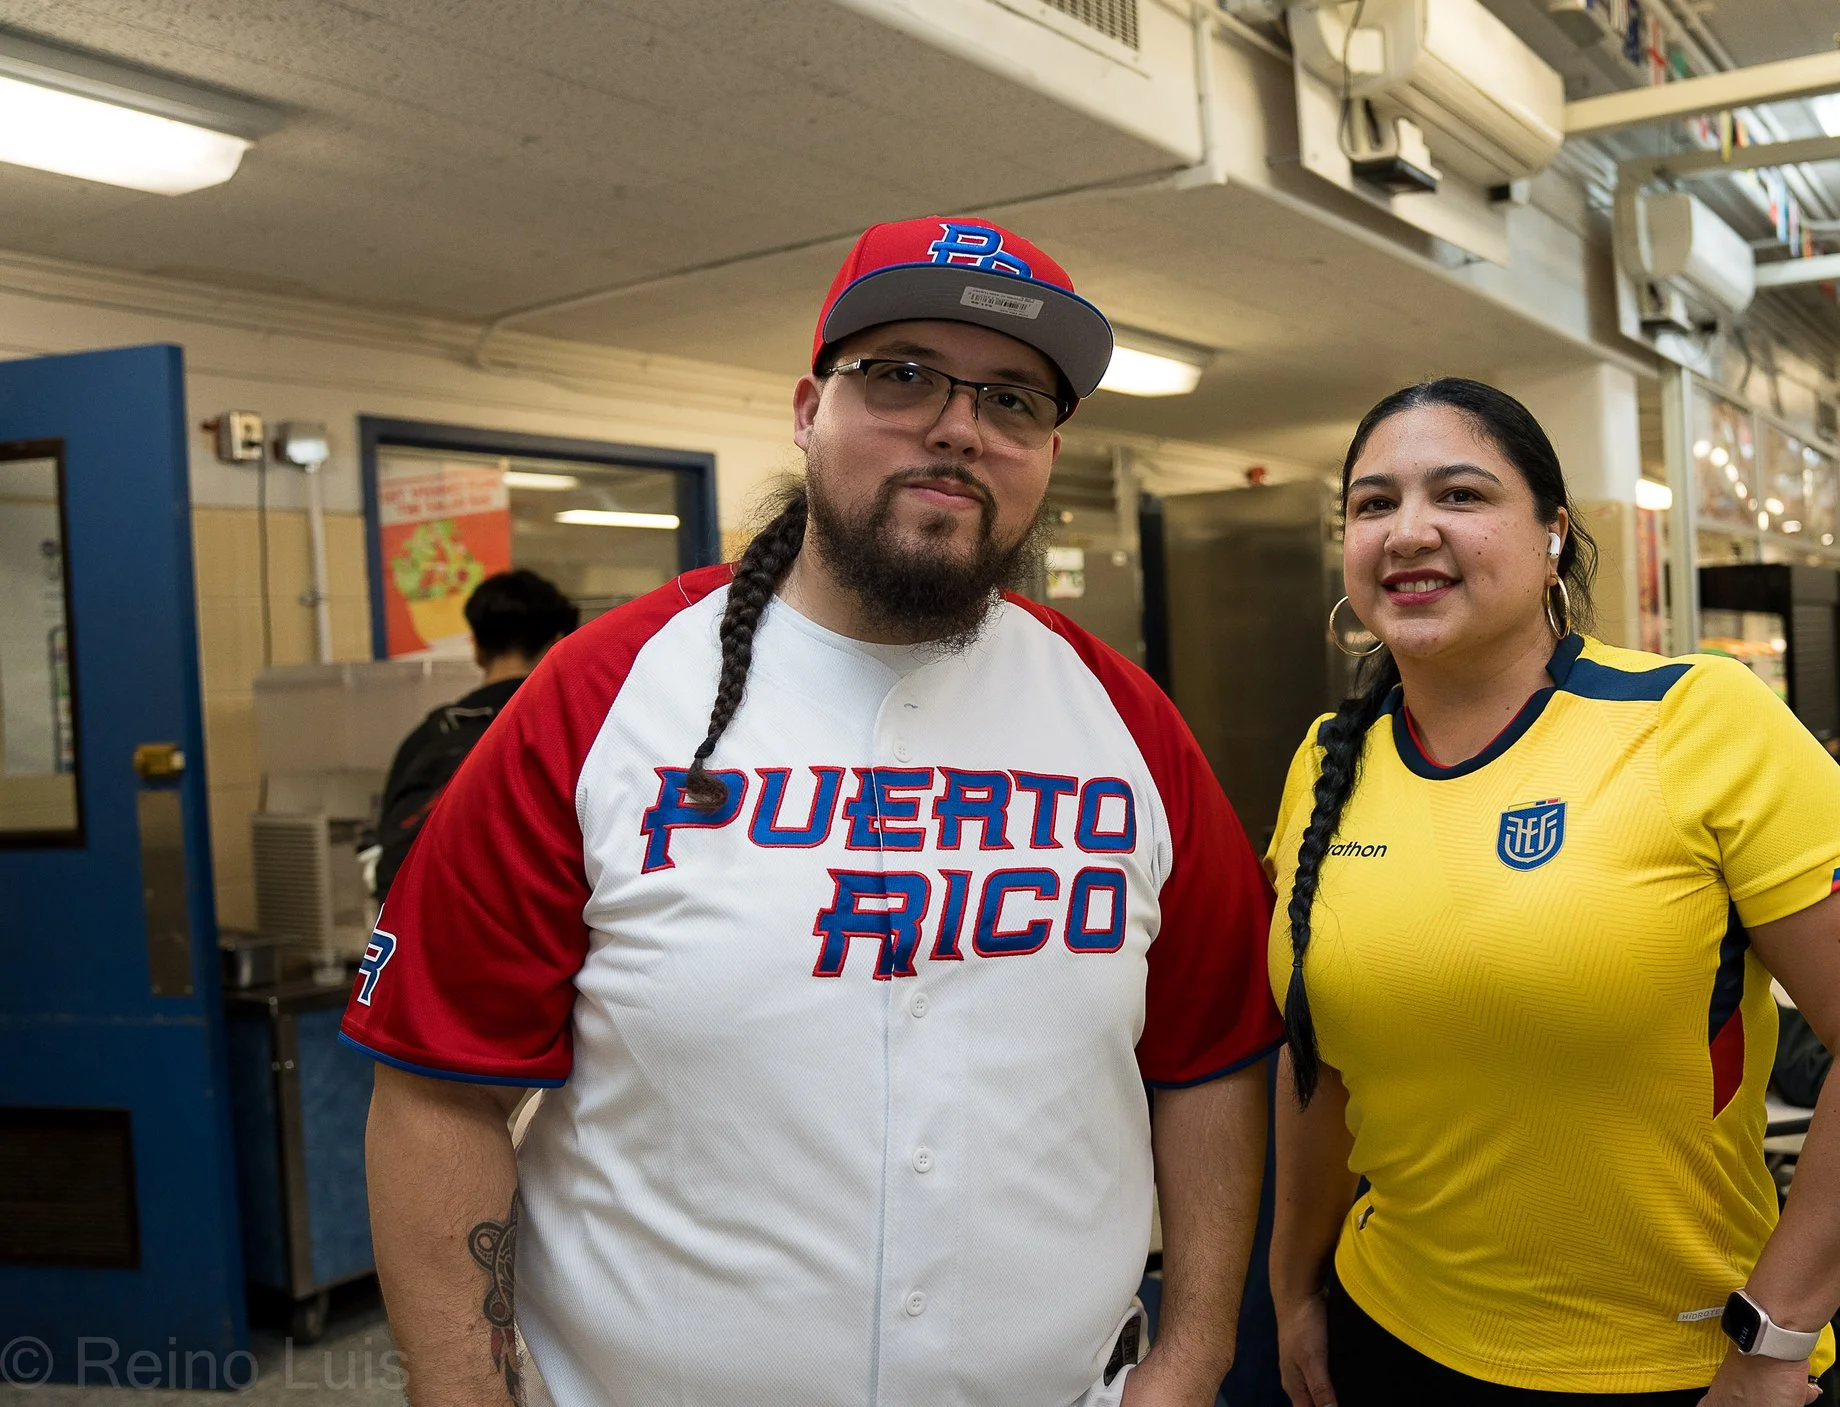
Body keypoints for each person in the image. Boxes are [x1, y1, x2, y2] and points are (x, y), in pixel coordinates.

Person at [348, 217, 1281, 1406]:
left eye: (1013, 400)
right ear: (806, 410)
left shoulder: (1125, 721)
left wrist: (1193, 1355)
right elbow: (437, 1082)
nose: (958, 425)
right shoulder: (604, 698)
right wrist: (462, 1390)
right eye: (900, 375)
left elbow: (1209, 1062)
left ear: (1049, 450)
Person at [1265, 379, 1840, 1407]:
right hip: (1387, 1330)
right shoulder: (1327, 759)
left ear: (1552, 534)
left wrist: (1774, 1343)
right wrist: (1291, 1288)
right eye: (1373, 505)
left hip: (1673, 1368)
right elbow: (1315, 1065)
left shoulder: (1693, 718)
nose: (1408, 531)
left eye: (1458, 495)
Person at [369, 569, 578, 902]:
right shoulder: (568, 728)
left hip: (427, 932)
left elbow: (386, 847)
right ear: (557, 643)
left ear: (477, 648)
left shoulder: (430, 733)